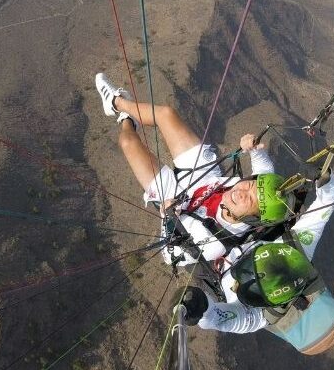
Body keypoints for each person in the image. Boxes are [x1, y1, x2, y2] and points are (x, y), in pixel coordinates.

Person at [95, 72, 297, 265]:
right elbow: (264, 169)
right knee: (166, 114)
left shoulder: (215, 245)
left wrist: (167, 216)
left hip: (176, 204)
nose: (243, 192)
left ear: (254, 219)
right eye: (249, 187)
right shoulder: (264, 188)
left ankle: (126, 119)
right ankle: (117, 102)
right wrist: (253, 149)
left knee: (128, 143)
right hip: (205, 177)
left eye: (251, 200)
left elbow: (168, 253)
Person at [177, 171, 334, 355]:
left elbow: (224, 318)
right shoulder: (297, 251)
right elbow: (326, 203)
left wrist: (202, 310)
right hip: (232, 235)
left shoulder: (260, 315)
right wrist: (325, 176)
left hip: (207, 258)